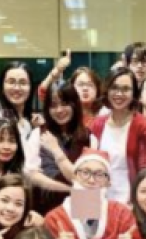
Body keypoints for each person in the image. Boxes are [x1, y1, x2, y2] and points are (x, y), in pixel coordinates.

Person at [25, 84, 95, 213]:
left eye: (64, 104)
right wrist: (69, 189)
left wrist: (56, 150)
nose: (59, 110)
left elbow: (86, 180)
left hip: (83, 207)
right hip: (46, 206)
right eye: (53, 105)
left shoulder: (89, 137)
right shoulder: (38, 134)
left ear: (74, 104)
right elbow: (32, 175)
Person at [90, 68, 146, 203]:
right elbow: (88, 165)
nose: (119, 94)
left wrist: (137, 203)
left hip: (129, 200)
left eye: (126, 89)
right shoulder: (97, 124)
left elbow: (145, 170)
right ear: (107, 90)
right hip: (98, 198)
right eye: (114, 88)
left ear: (134, 93)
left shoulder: (143, 126)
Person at [0, 61, 39, 140]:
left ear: (31, 88)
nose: (17, 88)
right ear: (2, 87)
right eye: (11, 82)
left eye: (23, 83)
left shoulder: (27, 121)